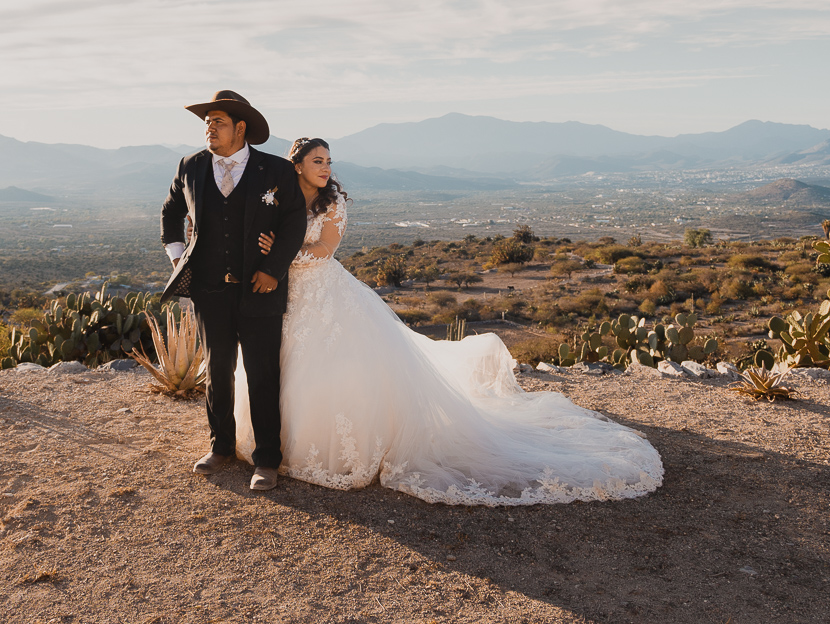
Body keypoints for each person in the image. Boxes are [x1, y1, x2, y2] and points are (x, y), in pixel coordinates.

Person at [234, 137, 663, 505]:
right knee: (282, 367)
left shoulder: (335, 203)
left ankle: (333, 451)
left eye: (329, 161)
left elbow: (325, 251)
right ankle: (277, 445)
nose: (326, 168)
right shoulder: (283, 196)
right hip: (285, 298)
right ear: (297, 165)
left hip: (326, 293)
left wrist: (280, 254)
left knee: (333, 368)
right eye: (317, 161)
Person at [160, 91, 307, 492]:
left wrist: (273, 269)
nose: (209, 127)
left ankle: (267, 460)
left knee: (262, 375)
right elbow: (171, 212)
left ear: (240, 128)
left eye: (218, 121)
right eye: (207, 122)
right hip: (209, 292)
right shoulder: (191, 165)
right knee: (218, 372)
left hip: (260, 289)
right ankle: (220, 445)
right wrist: (178, 256)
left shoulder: (275, 170)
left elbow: (295, 221)